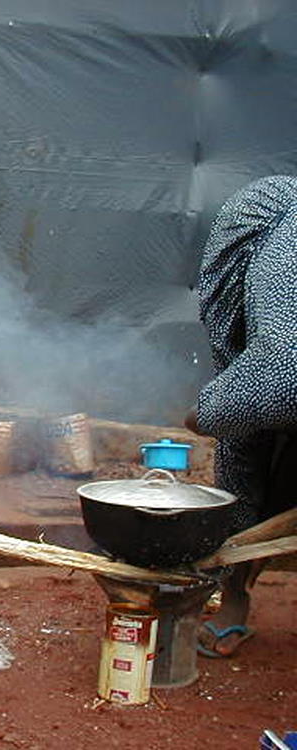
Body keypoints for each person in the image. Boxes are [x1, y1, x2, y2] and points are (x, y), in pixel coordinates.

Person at [189, 174, 297, 659]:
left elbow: (280, 378)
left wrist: (206, 412)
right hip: (272, 393)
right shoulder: (270, 249)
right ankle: (233, 595)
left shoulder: (281, 255)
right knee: (245, 464)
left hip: (280, 388)